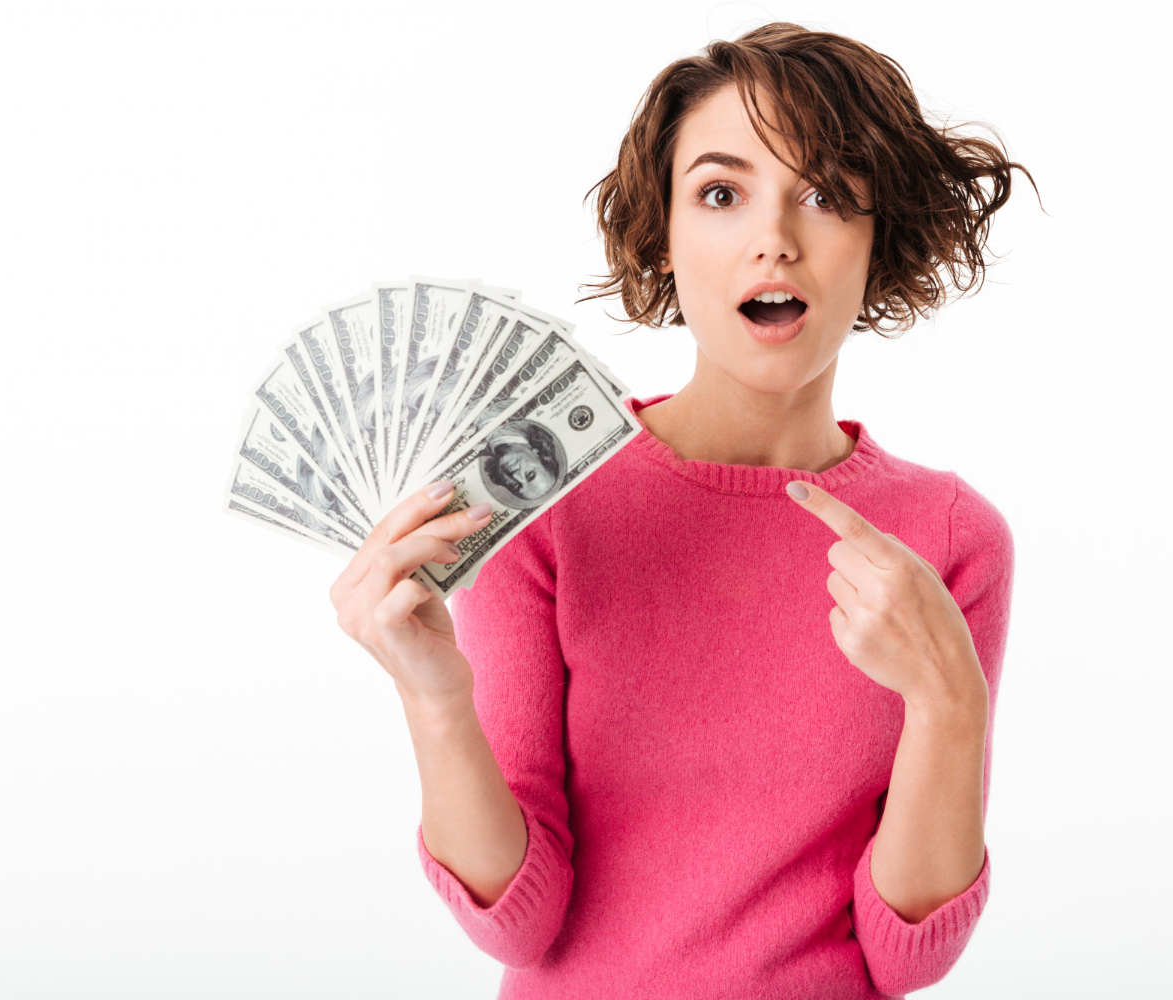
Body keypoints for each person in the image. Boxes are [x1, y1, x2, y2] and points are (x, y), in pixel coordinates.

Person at [328, 22, 1035, 999]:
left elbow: (907, 954)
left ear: (880, 240)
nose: (774, 238)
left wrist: (949, 702)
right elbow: (522, 925)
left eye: (826, 194)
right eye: (720, 192)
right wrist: (434, 696)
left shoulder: (951, 538)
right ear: (662, 235)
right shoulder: (548, 495)